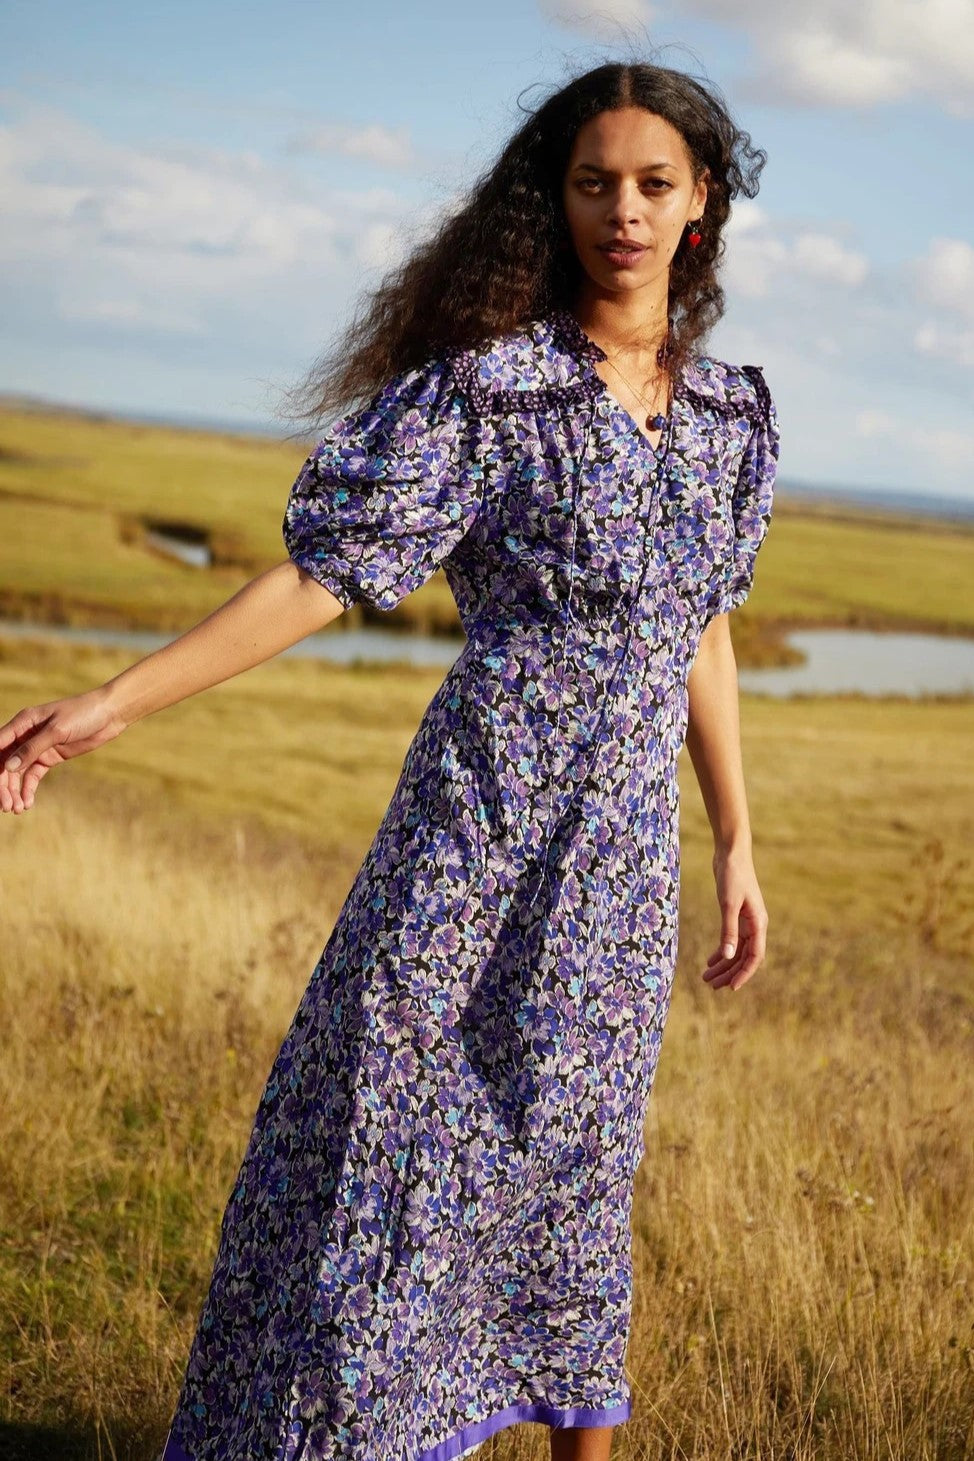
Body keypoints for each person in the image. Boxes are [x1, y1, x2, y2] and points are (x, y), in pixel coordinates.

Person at [0, 58, 778, 1461]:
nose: (622, 209)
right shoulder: (493, 393)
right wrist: (116, 700)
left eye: (652, 183)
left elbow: (699, 628)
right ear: (555, 200)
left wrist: (733, 837)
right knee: (388, 1157)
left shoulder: (727, 419)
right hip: (470, 839)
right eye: (593, 181)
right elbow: (319, 577)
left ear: (699, 206)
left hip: (612, 873)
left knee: (574, 1171)